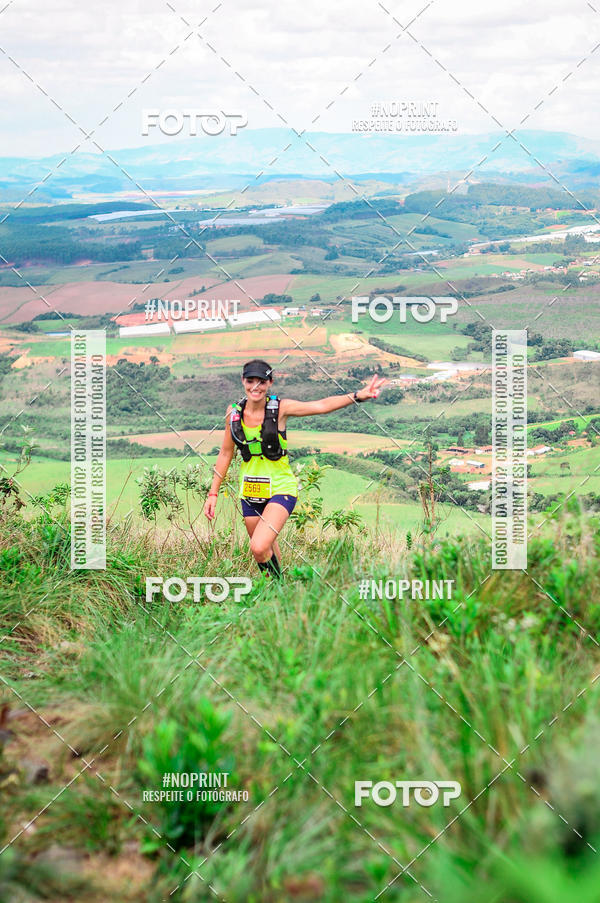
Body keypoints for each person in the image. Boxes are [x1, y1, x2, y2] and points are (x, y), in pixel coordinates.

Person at [204, 359, 387, 577]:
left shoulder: (281, 409)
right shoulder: (233, 413)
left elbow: (320, 406)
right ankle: (279, 593)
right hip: (250, 490)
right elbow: (226, 452)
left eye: (261, 381)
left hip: (281, 487)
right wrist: (213, 492)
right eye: (250, 380)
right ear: (242, 381)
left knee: (258, 547)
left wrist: (357, 396)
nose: (255, 386)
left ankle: (277, 588)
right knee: (266, 551)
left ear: (270, 383)